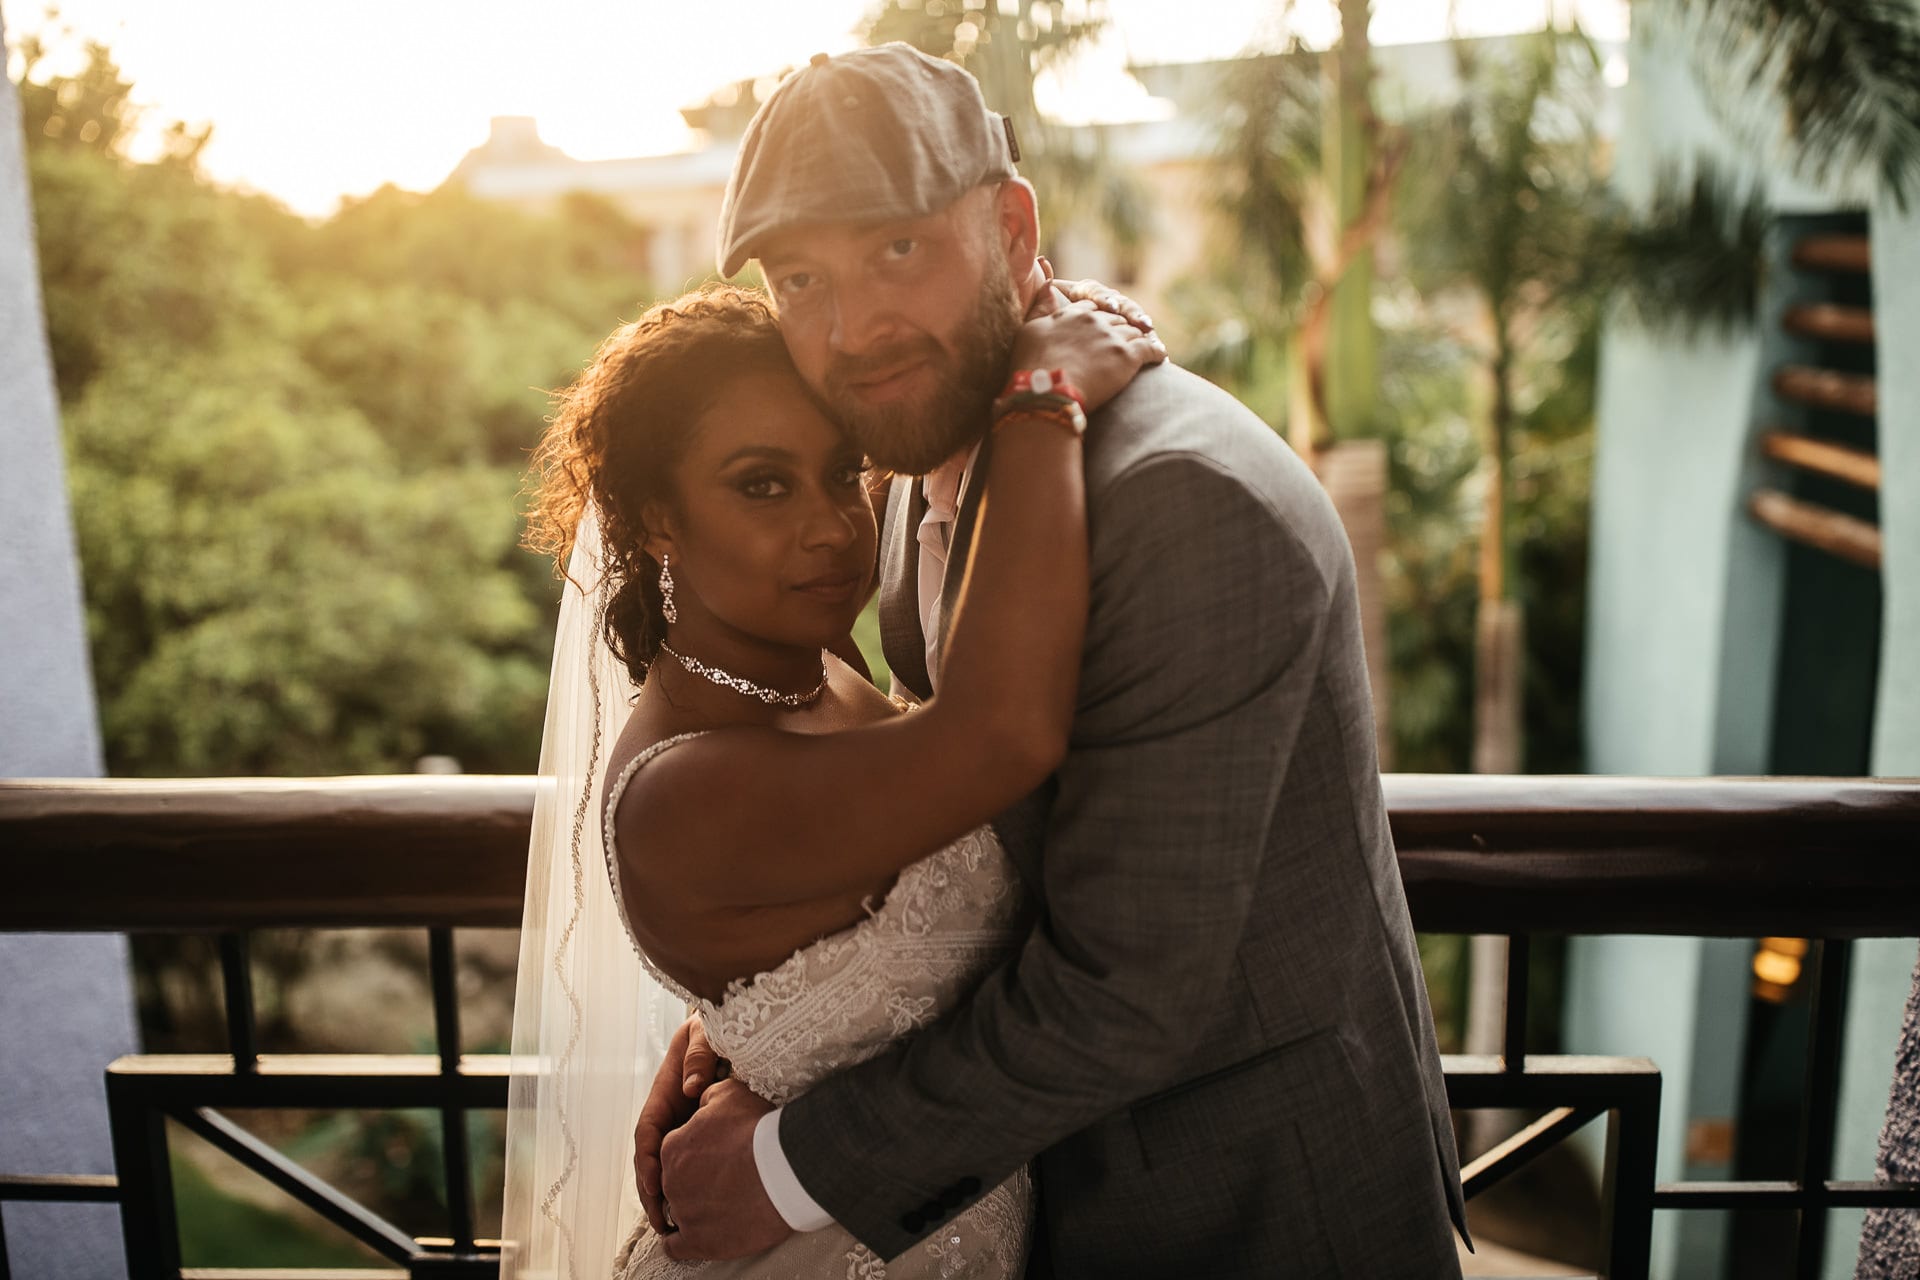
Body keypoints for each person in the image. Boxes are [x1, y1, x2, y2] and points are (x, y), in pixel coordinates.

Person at [632, 43, 1471, 1278]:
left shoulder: (1176, 499)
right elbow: (961, 853)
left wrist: (781, 1164)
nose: (852, 326)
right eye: (802, 276)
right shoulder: (940, 454)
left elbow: (1129, 991)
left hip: (1250, 1213)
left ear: (1012, 225)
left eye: (898, 251)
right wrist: (752, 1033)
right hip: (1043, 1190)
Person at [500, 277, 1161, 1280]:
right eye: (763, 484)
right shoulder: (685, 789)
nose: (834, 527)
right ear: (652, 519)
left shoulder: (823, 673)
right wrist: (1041, 400)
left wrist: (746, 1039)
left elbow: (837, 956)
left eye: (843, 471)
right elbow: (999, 738)